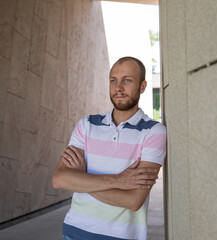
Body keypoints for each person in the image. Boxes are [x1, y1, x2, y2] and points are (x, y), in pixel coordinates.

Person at [52, 56, 167, 240]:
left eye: (127, 80)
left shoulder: (154, 132)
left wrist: (83, 179)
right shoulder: (86, 125)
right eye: (113, 80)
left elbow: (133, 201)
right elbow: (59, 179)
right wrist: (118, 180)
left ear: (143, 87)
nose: (118, 88)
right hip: (73, 232)